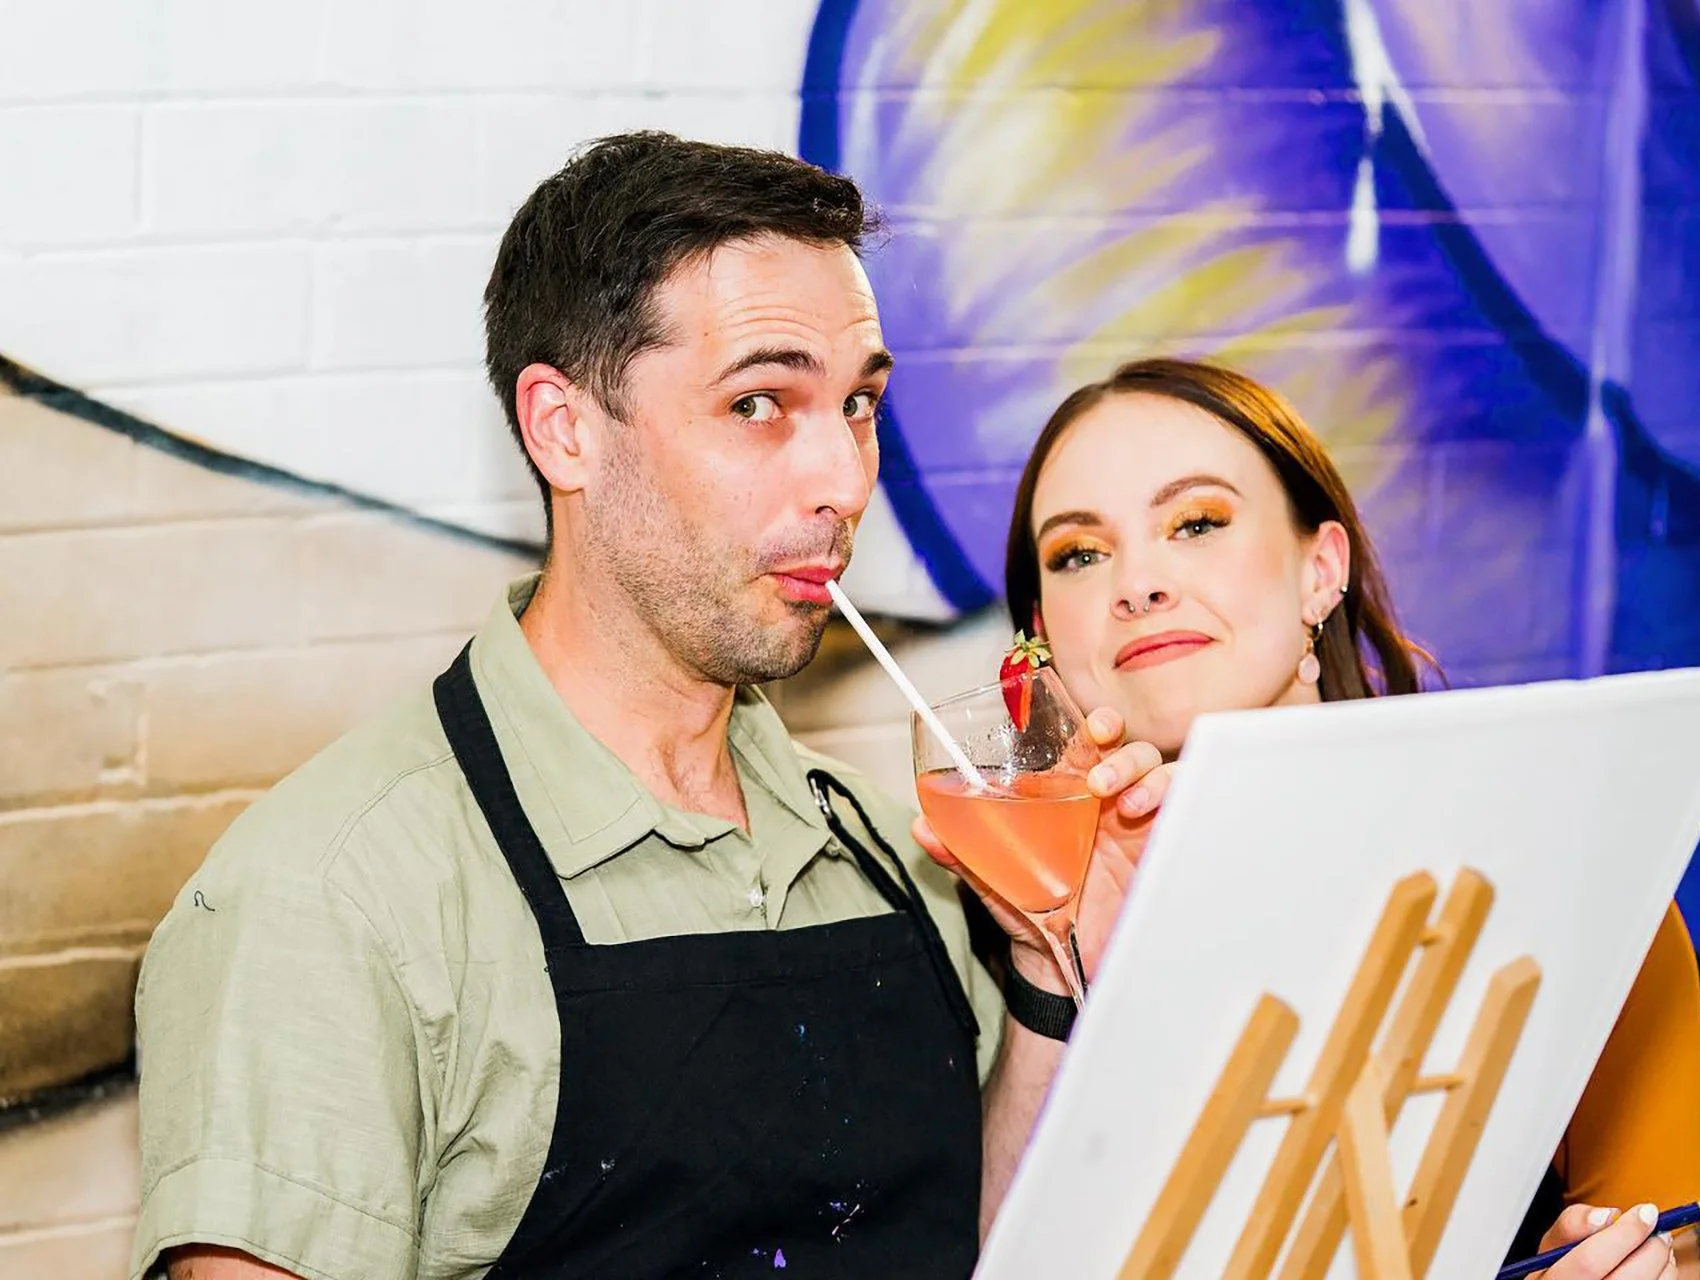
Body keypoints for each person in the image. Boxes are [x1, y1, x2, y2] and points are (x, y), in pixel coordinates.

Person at [126, 132, 1176, 1280]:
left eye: (860, 403)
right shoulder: (325, 900)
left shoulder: (883, 847)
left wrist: (1044, 966)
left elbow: (980, 1248)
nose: (844, 477)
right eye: (760, 402)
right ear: (564, 428)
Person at [977, 355, 1700, 1279]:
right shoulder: (993, 930)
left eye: (1196, 523)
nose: (1136, 584)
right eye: (1079, 554)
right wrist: (1049, 971)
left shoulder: (1561, 872)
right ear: (1040, 633)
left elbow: (1686, 1245)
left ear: (1320, 569)